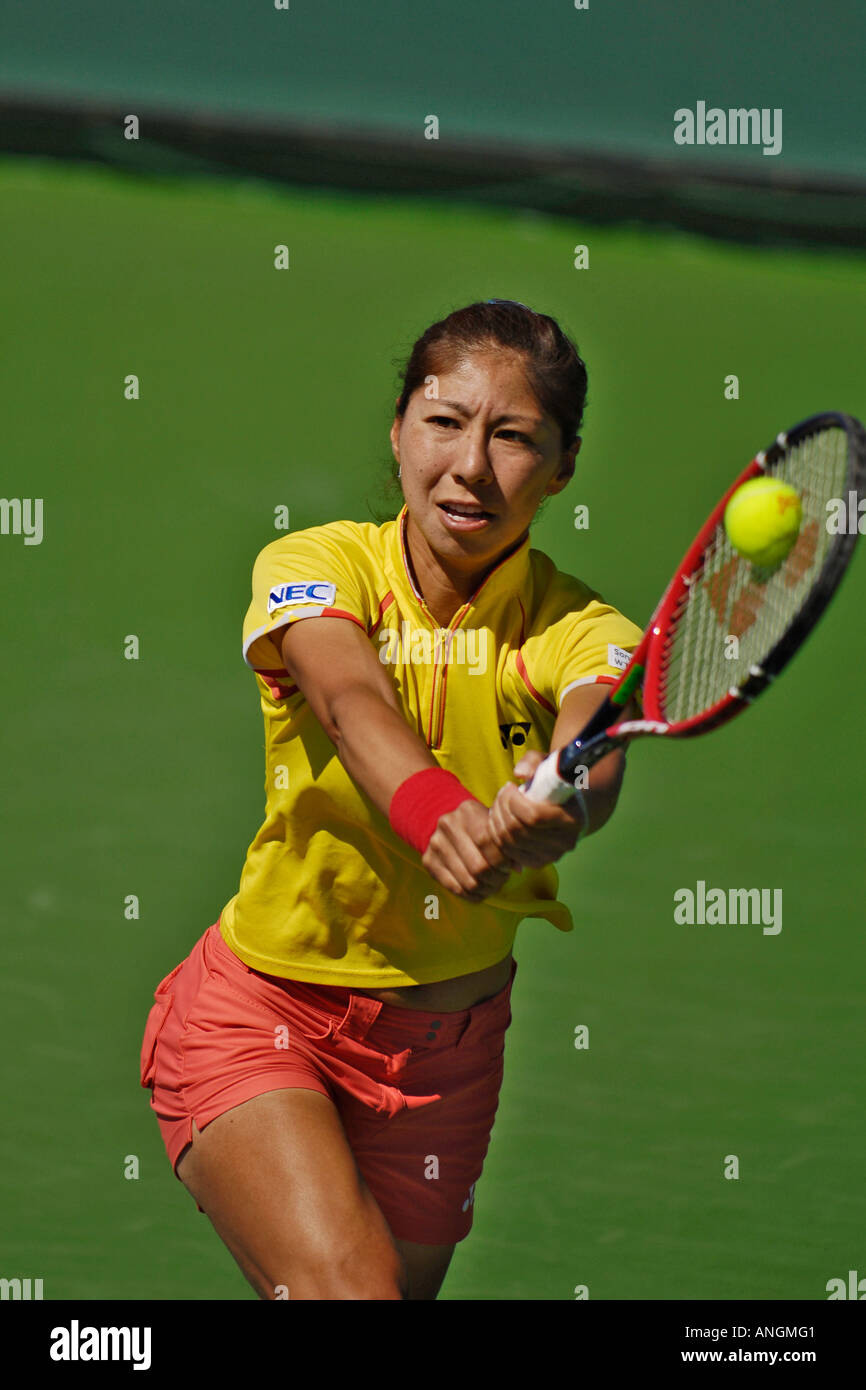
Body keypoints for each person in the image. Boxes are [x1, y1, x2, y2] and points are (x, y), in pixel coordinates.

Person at [140, 299, 643, 1301]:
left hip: (444, 1061)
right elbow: (344, 695)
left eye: (512, 438)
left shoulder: (582, 627)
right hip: (262, 1012)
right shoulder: (314, 566)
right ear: (398, 431)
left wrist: (559, 806)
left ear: (563, 465)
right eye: (443, 421)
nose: (469, 465)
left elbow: (593, 741)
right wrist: (441, 817)